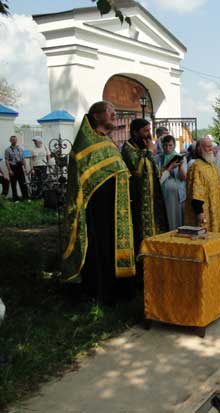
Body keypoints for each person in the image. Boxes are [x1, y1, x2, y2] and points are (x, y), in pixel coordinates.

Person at [62, 101, 135, 304]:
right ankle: (99, 291)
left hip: (116, 209)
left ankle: (119, 290)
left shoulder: (107, 142)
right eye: (110, 112)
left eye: (114, 112)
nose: (114, 115)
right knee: (99, 247)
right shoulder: (85, 145)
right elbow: (82, 181)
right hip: (96, 210)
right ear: (96, 116)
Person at [121, 118, 168, 253]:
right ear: (135, 132)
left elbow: (154, 171)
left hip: (154, 198)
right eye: (145, 130)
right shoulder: (127, 148)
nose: (149, 134)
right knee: (140, 229)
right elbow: (137, 170)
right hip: (139, 198)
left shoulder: (146, 147)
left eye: (149, 130)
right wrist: (148, 151)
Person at [185, 136, 220, 232]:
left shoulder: (211, 165)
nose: (211, 149)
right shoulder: (196, 166)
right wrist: (199, 212)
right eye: (207, 147)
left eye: (211, 146)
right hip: (204, 210)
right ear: (199, 149)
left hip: (215, 208)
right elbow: (195, 191)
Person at [155, 135, 187, 230]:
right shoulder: (157, 158)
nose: (167, 148)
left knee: (176, 217)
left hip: (176, 194)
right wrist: (169, 167)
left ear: (174, 146)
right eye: (165, 145)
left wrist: (180, 166)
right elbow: (157, 174)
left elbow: (183, 177)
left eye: (170, 145)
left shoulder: (180, 157)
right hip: (163, 192)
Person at [4, 135, 29, 202]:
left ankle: (25, 197)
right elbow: (7, 161)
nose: (14, 141)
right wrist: (9, 170)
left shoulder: (20, 148)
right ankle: (15, 199)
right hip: (13, 167)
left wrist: (25, 168)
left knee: (23, 183)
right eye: (12, 140)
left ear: (16, 140)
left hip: (20, 167)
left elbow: (23, 159)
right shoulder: (7, 150)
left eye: (15, 139)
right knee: (13, 184)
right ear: (10, 141)